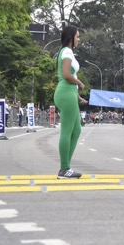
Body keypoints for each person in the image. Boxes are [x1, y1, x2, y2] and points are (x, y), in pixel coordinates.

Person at [53, 25, 88, 179]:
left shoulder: (67, 52)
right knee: (67, 131)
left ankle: (66, 166)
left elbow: (67, 75)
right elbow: (67, 74)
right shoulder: (66, 52)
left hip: (69, 93)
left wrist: (78, 96)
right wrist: (79, 83)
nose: (79, 39)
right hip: (66, 92)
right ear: (71, 37)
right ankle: (64, 168)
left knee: (77, 130)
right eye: (77, 36)